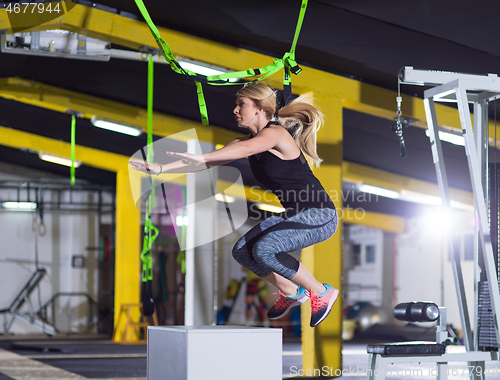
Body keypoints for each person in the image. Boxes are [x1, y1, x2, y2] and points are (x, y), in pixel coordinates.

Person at [129, 82, 339, 327]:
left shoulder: (276, 134)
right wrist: (162, 169)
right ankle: (292, 291)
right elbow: (205, 163)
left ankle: (320, 290)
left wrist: (202, 156)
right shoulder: (245, 141)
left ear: (260, 109)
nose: (235, 110)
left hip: (318, 215)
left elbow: (248, 148)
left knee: (265, 249)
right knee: (242, 250)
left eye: (241, 104)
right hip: (294, 214)